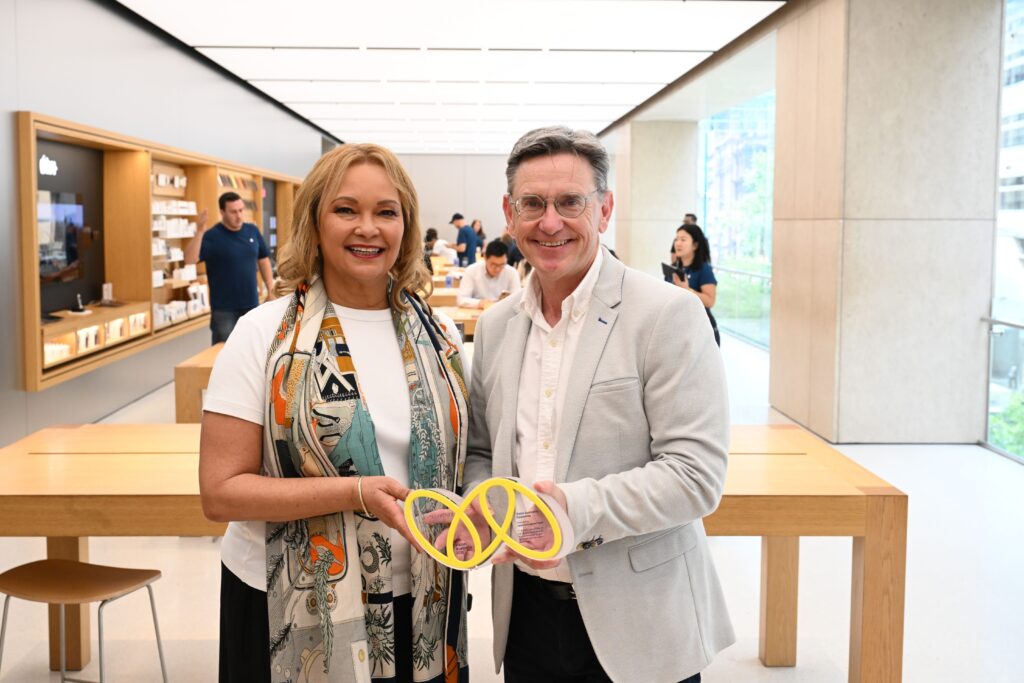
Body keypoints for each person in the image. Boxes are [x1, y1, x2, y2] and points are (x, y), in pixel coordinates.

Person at [463, 126, 733, 682]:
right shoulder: (495, 327)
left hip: (642, 617)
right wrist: (482, 505)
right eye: (533, 204)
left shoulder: (667, 315)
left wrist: (569, 510)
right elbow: (483, 453)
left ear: (604, 210)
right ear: (509, 215)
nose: (550, 222)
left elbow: (695, 476)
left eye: (571, 202)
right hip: (527, 616)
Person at [199, 143, 471, 683]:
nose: (367, 228)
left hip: (426, 601)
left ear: (406, 226)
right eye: (346, 210)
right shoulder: (264, 334)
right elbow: (220, 492)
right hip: (288, 608)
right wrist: (354, 492)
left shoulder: (439, 337)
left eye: (386, 212)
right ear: (315, 222)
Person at [185, 192, 276, 344]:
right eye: (233, 212)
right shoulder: (211, 236)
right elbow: (189, 259)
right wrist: (200, 231)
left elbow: (263, 259)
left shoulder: (252, 231)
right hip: (224, 311)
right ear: (222, 212)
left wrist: (271, 289)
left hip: (252, 305)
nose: (239, 216)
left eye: (241, 210)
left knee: (253, 349)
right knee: (224, 351)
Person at [667, 224, 720, 346]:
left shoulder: (704, 269)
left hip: (703, 332)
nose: (678, 243)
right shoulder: (674, 267)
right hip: (682, 330)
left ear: (695, 245)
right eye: (676, 239)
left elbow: (710, 301)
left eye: (683, 239)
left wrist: (687, 289)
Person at [457, 240, 521, 308]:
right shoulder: (472, 270)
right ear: (485, 258)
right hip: (478, 311)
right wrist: (481, 303)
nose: (498, 269)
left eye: (502, 265)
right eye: (494, 265)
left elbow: (517, 300)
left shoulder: (512, 273)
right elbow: (461, 299)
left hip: (502, 312)